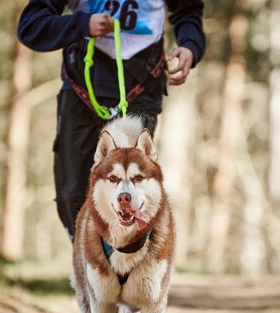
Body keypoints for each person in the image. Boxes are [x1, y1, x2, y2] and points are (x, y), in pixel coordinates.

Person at [17, 0, 206, 241]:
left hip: (140, 88)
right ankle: (90, 259)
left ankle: (124, 267)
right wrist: (82, 24)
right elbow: (31, 26)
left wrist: (190, 45)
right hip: (81, 91)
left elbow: (187, 10)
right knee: (73, 193)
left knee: (132, 187)